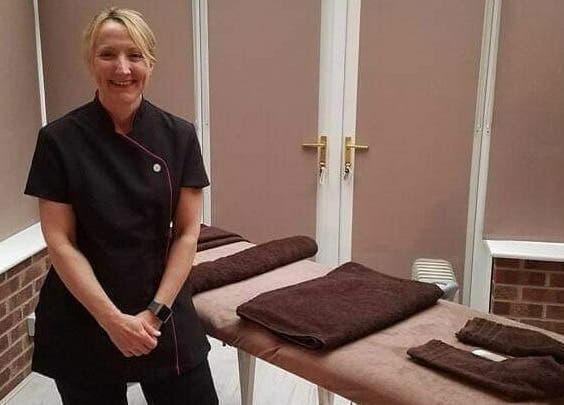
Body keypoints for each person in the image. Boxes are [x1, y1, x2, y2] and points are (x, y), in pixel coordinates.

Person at [24, 7, 218, 405]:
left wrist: (155, 312)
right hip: (83, 310)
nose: (123, 68)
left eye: (135, 55)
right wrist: (111, 320)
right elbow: (60, 241)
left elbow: (187, 233)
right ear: (90, 61)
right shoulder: (59, 140)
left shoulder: (179, 136)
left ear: (150, 63)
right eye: (108, 54)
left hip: (161, 306)